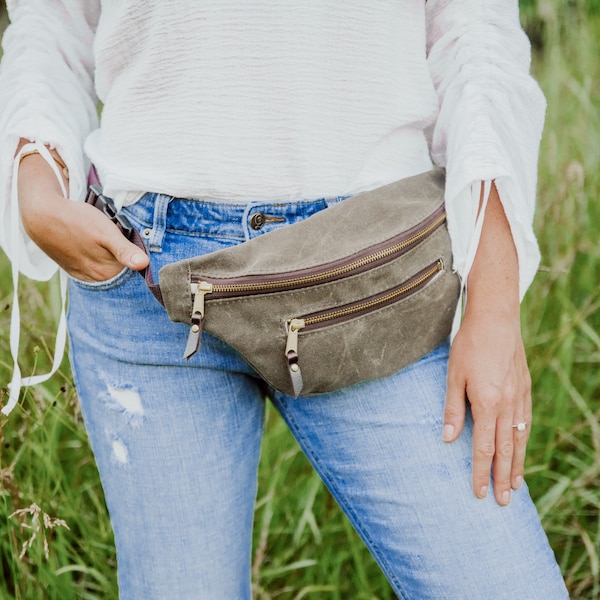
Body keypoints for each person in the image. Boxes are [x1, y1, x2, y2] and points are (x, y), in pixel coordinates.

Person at [0, 1, 569, 599]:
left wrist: (496, 300)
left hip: (369, 277)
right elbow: (51, 19)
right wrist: (36, 181)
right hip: (144, 271)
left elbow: (475, 28)